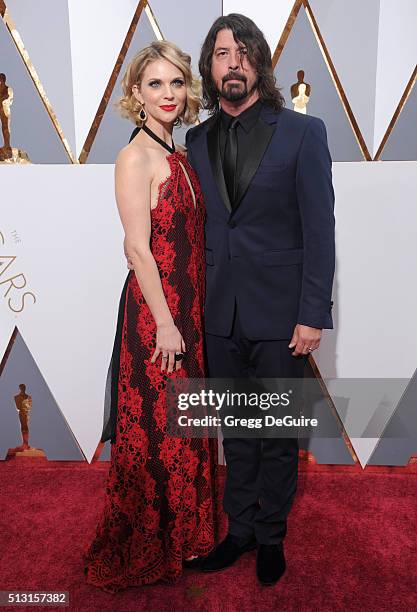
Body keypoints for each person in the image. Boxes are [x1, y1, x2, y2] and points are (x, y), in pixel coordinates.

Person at [184, 14, 335, 586]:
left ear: (260, 63)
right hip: (219, 315)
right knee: (237, 433)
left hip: (282, 317)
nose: (234, 62)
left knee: (279, 434)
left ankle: (272, 537)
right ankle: (239, 530)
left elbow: (320, 229)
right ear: (210, 67)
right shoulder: (195, 141)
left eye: (244, 51)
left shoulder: (304, 132)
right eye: (222, 53)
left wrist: (312, 314)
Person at [83, 41, 224, 593]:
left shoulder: (180, 153)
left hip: (186, 309)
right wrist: (166, 323)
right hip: (156, 315)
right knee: (157, 428)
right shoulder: (134, 157)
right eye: (155, 85)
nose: (168, 94)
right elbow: (137, 249)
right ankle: (158, 536)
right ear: (136, 95)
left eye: (176, 83)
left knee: (183, 423)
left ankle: (188, 534)